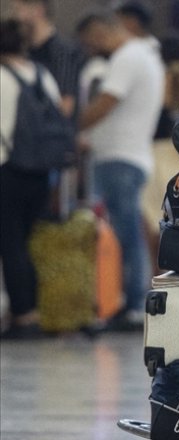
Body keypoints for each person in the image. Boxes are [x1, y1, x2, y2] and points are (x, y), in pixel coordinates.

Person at [76, 12, 165, 332]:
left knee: (128, 234)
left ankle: (132, 306)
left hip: (120, 158)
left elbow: (106, 102)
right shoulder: (144, 55)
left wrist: (71, 128)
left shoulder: (128, 57)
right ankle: (130, 302)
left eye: (91, 42)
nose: (92, 49)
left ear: (102, 33)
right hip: (129, 156)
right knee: (130, 232)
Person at [0, 19, 61, 340]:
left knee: (11, 244)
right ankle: (28, 311)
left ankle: (23, 316)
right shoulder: (41, 74)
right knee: (24, 243)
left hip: (7, 168)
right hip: (40, 171)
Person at [10, 0, 84, 118]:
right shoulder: (24, 52)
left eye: (18, 10)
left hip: (50, 131)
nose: (16, 18)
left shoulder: (63, 52)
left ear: (38, 10)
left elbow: (66, 105)